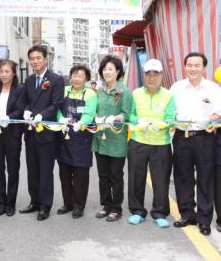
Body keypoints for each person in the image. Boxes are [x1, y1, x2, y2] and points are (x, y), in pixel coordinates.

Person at [171, 52, 221, 236]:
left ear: (204, 68)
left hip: (204, 137)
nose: (193, 68)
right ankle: (187, 214)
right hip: (181, 136)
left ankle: (204, 219)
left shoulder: (213, 89)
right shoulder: (176, 88)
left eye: (197, 65)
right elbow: (170, 112)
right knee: (183, 176)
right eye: (189, 65)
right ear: (185, 67)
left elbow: (218, 112)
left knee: (205, 177)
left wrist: (207, 120)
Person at [127, 59, 175, 228]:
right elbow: (130, 115)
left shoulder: (168, 95)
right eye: (148, 74)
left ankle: (160, 213)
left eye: (156, 74)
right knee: (135, 178)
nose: (152, 77)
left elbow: (171, 118)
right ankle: (137, 211)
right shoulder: (136, 93)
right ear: (144, 75)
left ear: (161, 75)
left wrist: (163, 124)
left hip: (161, 143)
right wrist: (139, 120)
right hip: (138, 141)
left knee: (160, 180)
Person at [21, 45, 64, 221]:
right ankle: (34, 201)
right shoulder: (29, 80)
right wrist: (26, 111)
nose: (35, 61)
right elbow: (26, 101)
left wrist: (41, 115)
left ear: (46, 59)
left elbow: (57, 103)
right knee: (32, 169)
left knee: (46, 170)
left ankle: (45, 205)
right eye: (32, 58)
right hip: (31, 131)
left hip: (47, 132)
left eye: (38, 58)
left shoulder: (56, 79)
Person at [92, 55, 132, 222]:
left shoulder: (125, 92)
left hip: (117, 139)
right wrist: (94, 118)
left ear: (118, 71)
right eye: (104, 69)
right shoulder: (99, 92)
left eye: (111, 69)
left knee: (116, 175)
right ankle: (106, 205)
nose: (107, 72)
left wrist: (115, 118)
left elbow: (126, 114)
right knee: (103, 175)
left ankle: (116, 207)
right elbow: (94, 110)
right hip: (100, 138)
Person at [56, 65, 97, 219]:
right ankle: (68, 203)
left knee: (80, 175)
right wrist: (60, 119)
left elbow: (90, 113)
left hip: (82, 138)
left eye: (81, 76)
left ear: (86, 78)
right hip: (64, 136)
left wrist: (82, 123)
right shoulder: (64, 90)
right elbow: (58, 108)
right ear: (70, 76)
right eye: (74, 75)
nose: (77, 78)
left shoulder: (91, 94)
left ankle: (79, 206)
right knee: (64, 174)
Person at [0, 60, 25, 217]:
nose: (4, 75)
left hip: (13, 134)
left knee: (13, 170)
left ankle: (11, 202)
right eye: (1, 71)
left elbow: (20, 109)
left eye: (7, 71)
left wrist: (8, 117)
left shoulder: (20, 89)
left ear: (13, 73)